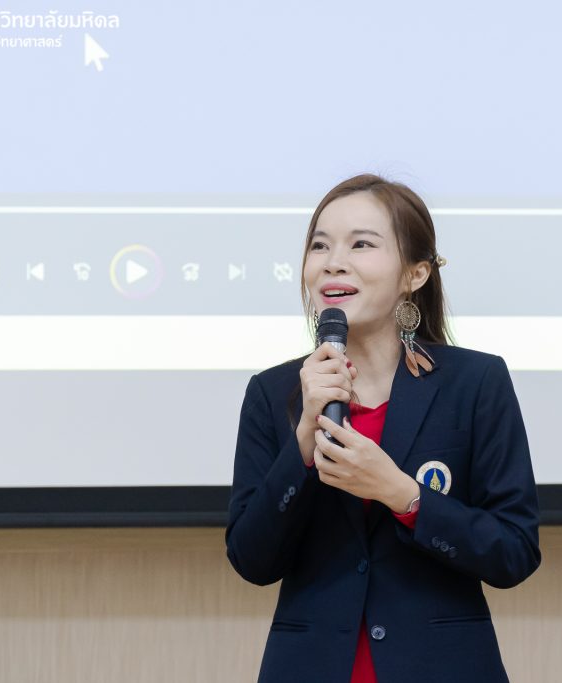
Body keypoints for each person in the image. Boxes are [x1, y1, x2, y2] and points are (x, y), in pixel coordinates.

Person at [225, 173, 541, 682]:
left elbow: (514, 552)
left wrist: (404, 495)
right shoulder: (274, 392)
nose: (333, 262)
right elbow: (251, 561)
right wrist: (302, 444)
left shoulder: (475, 382)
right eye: (320, 245)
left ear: (415, 273)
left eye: (361, 244)